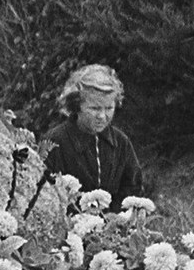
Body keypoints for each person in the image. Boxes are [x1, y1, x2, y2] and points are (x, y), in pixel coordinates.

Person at [42, 63, 148, 207]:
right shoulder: (55, 142)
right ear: (76, 105)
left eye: (109, 108)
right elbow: (44, 195)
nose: (102, 116)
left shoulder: (121, 142)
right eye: (95, 108)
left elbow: (133, 189)